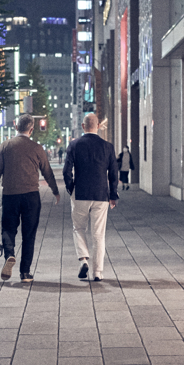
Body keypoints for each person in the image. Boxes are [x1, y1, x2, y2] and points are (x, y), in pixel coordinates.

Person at [0, 114, 61, 282]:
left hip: (10, 195)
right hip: (31, 196)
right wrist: (55, 191)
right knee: (29, 234)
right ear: (31, 129)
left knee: (8, 229)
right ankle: (25, 273)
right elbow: (47, 172)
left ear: (15, 126)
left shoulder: (5, 146)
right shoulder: (37, 148)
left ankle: (10, 254)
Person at [64, 113, 118, 282]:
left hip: (80, 193)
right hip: (101, 194)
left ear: (83, 126)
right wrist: (113, 194)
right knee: (98, 234)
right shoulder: (107, 147)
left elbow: (67, 171)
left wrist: (71, 187)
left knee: (78, 228)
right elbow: (114, 173)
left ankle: (83, 259)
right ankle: (98, 272)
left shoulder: (74, 145)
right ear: (98, 126)